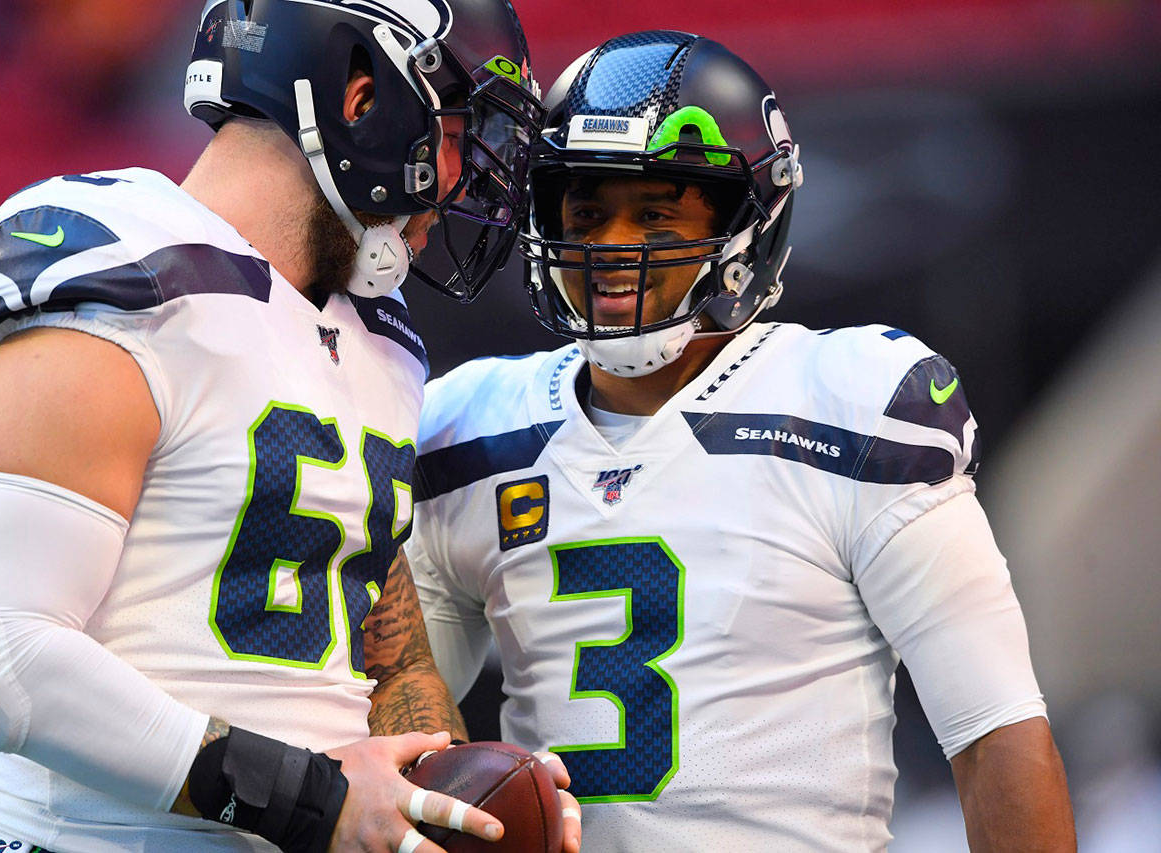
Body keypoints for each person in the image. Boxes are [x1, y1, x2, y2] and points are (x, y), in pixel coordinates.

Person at [0, 1, 579, 851]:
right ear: (362, 99)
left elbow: (388, 653)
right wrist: (314, 802)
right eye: (455, 131)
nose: (460, 178)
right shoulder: (121, 267)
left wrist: (451, 799)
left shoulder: (382, 341)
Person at [408, 30, 1076, 851]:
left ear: (748, 224)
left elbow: (995, 733)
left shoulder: (853, 404)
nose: (611, 245)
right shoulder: (470, 426)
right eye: (586, 212)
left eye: (654, 213)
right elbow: (403, 727)